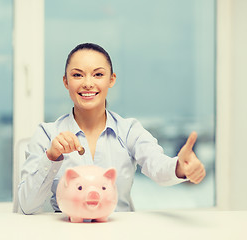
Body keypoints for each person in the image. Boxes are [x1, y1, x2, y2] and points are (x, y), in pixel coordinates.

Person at [18, 43, 206, 214]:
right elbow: (27, 206)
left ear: (111, 79)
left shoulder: (129, 130)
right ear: (66, 81)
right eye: (77, 75)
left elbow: (157, 165)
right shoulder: (46, 134)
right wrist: (51, 157)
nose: (88, 83)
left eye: (98, 74)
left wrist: (181, 167)